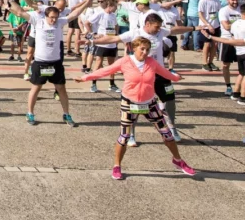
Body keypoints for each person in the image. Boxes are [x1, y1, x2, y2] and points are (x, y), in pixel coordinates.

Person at [75, 37, 195, 180]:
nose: (145, 52)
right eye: (142, 49)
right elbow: (105, 71)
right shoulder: (125, 61)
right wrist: (85, 78)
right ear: (134, 48)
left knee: (166, 133)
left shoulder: (151, 62)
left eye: (147, 50)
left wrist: (176, 78)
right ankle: (117, 166)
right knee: (124, 136)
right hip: (129, 102)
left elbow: (165, 73)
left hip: (149, 103)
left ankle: (178, 160)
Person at [92, 10, 195, 143]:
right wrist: (93, 42)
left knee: (170, 100)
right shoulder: (135, 33)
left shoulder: (161, 32)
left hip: (160, 73)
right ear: (147, 24)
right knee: (135, 106)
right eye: (156, 26)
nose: (159, 29)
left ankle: (172, 128)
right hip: (141, 74)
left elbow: (175, 30)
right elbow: (114, 39)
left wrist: (194, 28)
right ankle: (131, 135)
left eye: (160, 26)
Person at [7, 0, 92, 127]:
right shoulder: (37, 21)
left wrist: (87, 2)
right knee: (36, 88)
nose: (53, 20)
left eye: (56, 17)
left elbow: (75, 14)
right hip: (40, 62)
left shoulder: (60, 22)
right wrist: (10, 0)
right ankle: (30, 113)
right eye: (51, 17)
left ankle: (67, 114)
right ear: (46, 16)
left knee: (61, 89)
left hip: (55, 63)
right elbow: (20, 12)